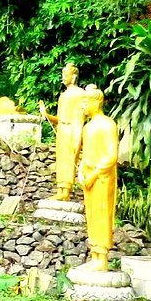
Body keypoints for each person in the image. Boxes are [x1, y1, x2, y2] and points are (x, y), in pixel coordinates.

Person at [79, 85, 119, 271]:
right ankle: (94, 254)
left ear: (97, 101)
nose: (83, 106)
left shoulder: (108, 124)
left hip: (102, 177)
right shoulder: (87, 127)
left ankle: (102, 258)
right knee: (92, 216)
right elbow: (85, 154)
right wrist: (81, 171)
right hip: (89, 178)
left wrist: (95, 173)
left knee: (103, 215)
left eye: (86, 101)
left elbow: (111, 155)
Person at [39, 63, 86, 200]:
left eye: (66, 75)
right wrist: (46, 114)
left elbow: (80, 118)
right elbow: (59, 119)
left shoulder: (80, 94)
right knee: (61, 160)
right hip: (62, 129)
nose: (63, 78)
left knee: (70, 158)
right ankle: (60, 190)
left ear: (74, 77)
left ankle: (66, 192)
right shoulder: (63, 96)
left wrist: (78, 135)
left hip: (72, 128)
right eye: (63, 75)